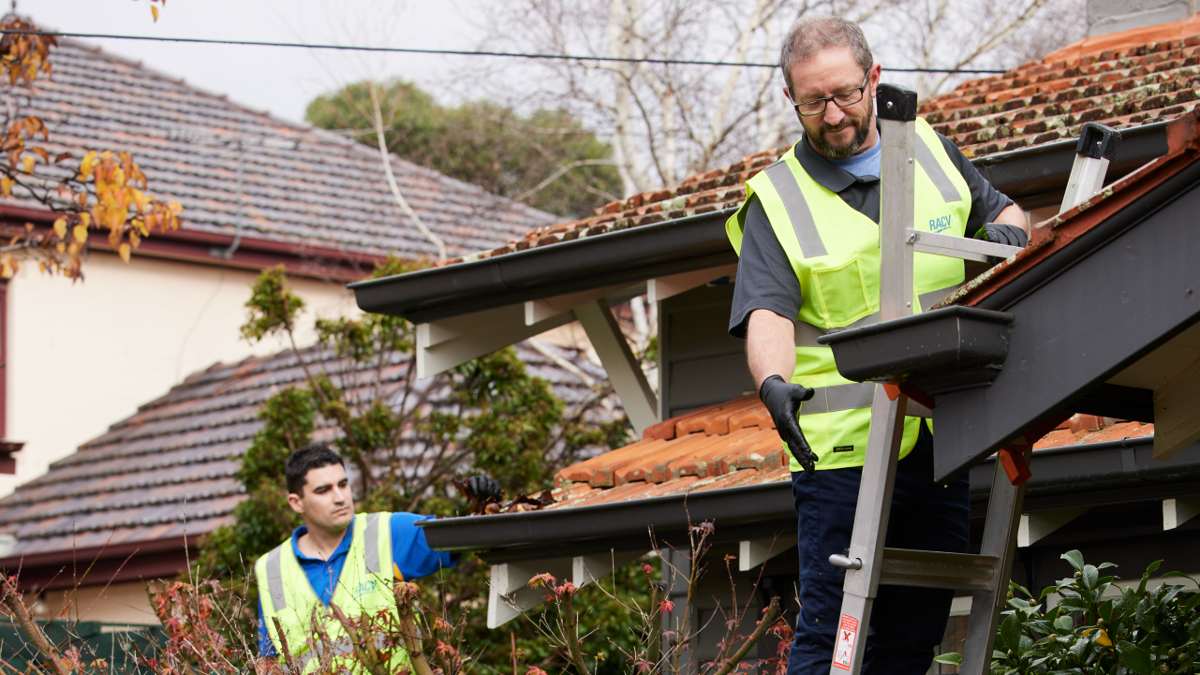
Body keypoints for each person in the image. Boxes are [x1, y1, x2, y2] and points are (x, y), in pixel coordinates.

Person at [725, 17, 1028, 675]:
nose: (834, 115)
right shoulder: (777, 200)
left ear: (875, 78)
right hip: (841, 453)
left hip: (942, 437)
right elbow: (766, 314)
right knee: (832, 637)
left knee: (913, 637)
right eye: (814, 102)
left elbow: (1007, 215)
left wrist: (1006, 239)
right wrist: (772, 381)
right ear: (791, 100)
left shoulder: (931, 151)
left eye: (846, 94)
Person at [254, 443, 498, 672]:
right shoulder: (271, 568)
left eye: (343, 484)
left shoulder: (385, 532)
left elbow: (456, 537)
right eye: (323, 490)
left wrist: (478, 504)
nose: (340, 497)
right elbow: (270, 660)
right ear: (297, 503)